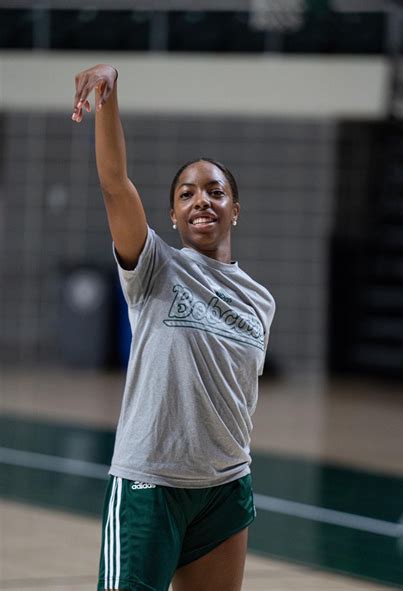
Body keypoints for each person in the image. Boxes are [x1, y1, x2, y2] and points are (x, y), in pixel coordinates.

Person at [72, 64, 275, 591]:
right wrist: (109, 96)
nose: (201, 200)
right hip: (150, 482)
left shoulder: (260, 300)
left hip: (225, 486)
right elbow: (115, 185)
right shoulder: (156, 265)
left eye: (214, 191)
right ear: (171, 214)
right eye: (186, 194)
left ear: (235, 209)